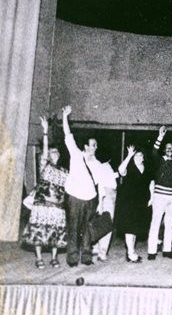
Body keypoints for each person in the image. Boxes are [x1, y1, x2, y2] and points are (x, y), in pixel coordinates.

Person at [22, 116, 68, 268]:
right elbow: (45, 149)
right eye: (52, 152)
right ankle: (39, 258)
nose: (55, 153)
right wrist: (45, 131)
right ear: (48, 155)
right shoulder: (45, 166)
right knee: (39, 231)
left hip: (57, 207)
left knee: (56, 232)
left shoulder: (64, 171)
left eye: (57, 152)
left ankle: (54, 258)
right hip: (42, 205)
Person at [61, 105, 99, 267]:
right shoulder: (76, 154)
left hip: (90, 199)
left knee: (87, 228)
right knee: (74, 227)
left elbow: (100, 183)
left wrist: (99, 202)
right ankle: (72, 257)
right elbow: (68, 135)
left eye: (96, 145)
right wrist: (65, 116)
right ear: (86, 146)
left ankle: (86, 256)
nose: (95, 147)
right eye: (93, 145)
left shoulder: (96, 163)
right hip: (75, 198)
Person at [146, 125, 172, 259]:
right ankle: (152, 251)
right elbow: (154, 151)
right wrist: (160, 136)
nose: (169, 149)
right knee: (155, 222)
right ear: (164, 150)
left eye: (171, 148)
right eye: (167, 148)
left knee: (169, 224)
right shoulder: (159, 160)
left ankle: (167, 250)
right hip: (160, 195)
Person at [116, 145, 152, 263]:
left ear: (143, 157)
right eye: (136, 156)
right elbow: (120, 170)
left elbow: (151, 183)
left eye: (140, 155)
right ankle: (131, 253)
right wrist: (129, 155)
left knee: (135, 228)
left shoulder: (147, 169)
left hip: (141, 201)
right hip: (128, 201)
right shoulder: (129, 167)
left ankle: (131, 251)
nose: (138, 157)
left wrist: (151, 197)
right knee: (129, 228)